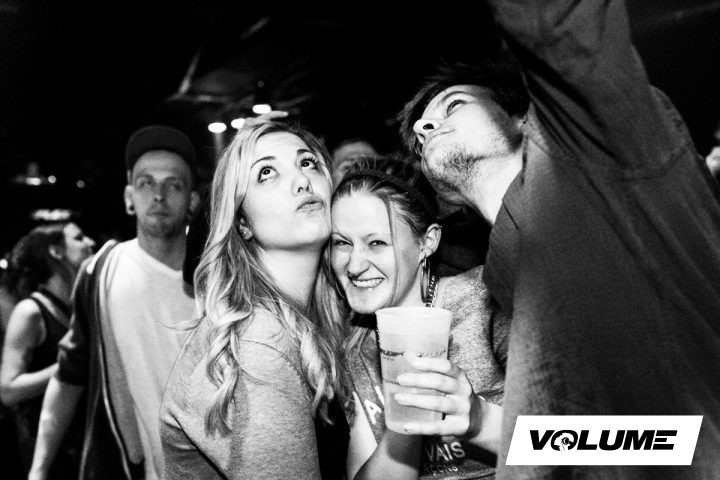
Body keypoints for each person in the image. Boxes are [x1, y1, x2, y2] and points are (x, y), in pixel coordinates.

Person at [399, 1, 720, 478]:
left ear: (522, 118)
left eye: (455, 104)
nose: (424, 127)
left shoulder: (601, 154)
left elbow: (560, 23)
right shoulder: (503, 275)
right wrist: (482, 422)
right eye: (421, 132)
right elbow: (649, 439)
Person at [160, 119, 348, 479]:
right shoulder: (259, 341)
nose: (302, 180)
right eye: (266, 173)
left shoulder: (321, 315)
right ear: (242, 223)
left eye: (307, 162)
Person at [29, 125, 201, 480]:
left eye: (174, 184)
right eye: (145, 183)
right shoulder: (100, 272)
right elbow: (69, 375)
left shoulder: (219, 277)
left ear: (193, 202)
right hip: (128, 468)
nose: (158, 195)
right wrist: (39, 468)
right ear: (128, 197)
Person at [330, 157, 508, 479]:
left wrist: (480, 421)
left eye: (376, 243)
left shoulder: (486, 299)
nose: (354, 266)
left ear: (427, 242)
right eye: (342, 243)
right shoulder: (354, 343)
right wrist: (404, 421)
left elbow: (594, 443)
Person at [0, 222, 95, 476]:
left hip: (78, 445)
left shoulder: (76, 307)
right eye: (79, 238)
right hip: (46, 452)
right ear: (56, 251)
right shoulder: (30, 312)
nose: (90, 243)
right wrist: (70, 364)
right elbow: (8, 390)